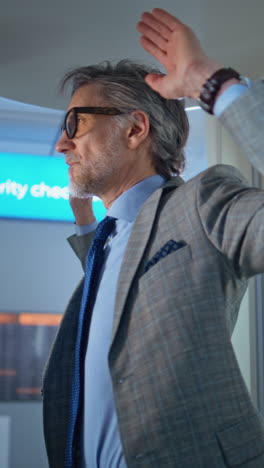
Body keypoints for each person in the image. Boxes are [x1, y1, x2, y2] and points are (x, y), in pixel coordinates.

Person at [42, 8, 264, 468]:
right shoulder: (107, 242)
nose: (62, 145)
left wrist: (213, 83)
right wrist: (90, 228)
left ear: (135, 129)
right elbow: (128, 299)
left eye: (74, 125)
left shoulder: (202, 203)